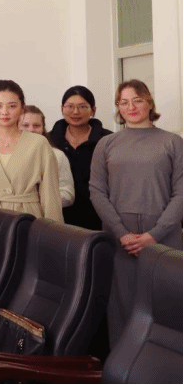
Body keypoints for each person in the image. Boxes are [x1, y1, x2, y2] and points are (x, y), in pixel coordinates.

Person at [90, 79, 183, 346]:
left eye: (137, 100)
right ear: (118, 108)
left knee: (167, 304)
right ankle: (122, 364)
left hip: (164, 235)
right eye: (124, 102)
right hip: (122, 238)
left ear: (149, 103)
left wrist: (154, 235)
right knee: (122, 306)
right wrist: (122, 233)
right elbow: (97, 191)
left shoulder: (173, 142)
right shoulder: (106, 144)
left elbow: (181, 193)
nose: (131, 107)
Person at [0, 80, 62, 221]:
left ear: (22, 108)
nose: (4, 112)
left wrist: (52, 231)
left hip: (29, 220)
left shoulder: (39, 143)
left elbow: (51, 196)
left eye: (12, 106)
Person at [48, 86, 113, 230]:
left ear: (93, 110)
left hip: (98, 217)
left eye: (82, 106)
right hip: (59, 217)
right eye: (70, 106)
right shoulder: (49, 140)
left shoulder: (108, 140)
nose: (75, 112)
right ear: (62, 109)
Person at [20, 105, 75, 208]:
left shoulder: (57, 156)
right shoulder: (4, 155)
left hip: (45, 215)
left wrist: (36, 200)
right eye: (25, 125)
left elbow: (68, 195)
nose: (31, 129)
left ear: (43, 128)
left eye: (36, 125)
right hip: (10, 215)